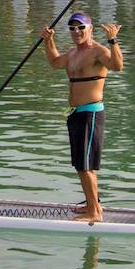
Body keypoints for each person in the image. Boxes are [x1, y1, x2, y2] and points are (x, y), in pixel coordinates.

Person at [41, 12, 122, 222]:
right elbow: (55, 63)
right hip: (75, 114)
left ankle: (95, 212)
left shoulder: (98, 51)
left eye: (80, 27)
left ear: (90, 28)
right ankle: (91, 203)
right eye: (72, 28)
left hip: (90, 113)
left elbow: (117, 66)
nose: (76, 31)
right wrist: (48, 41)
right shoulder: (72, 53)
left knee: (85, 166)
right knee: (80, 164)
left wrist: (112, 40)